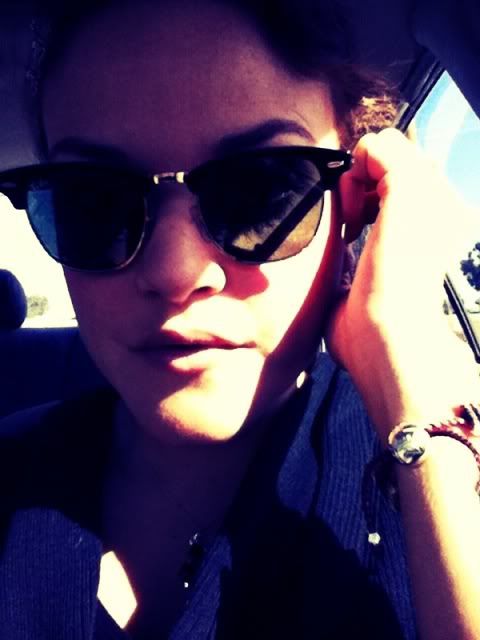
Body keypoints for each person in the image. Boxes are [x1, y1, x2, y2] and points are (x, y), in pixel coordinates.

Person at [0, 1, 479, 638]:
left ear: (357, 208)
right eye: (93, 201)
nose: (175, 273)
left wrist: (413, 383)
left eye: (261, 191)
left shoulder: (435, 487)